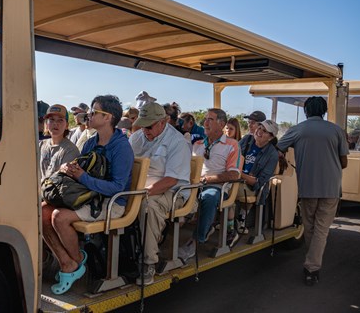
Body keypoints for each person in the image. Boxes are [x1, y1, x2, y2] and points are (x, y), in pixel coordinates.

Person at [41, 95, 133, 295]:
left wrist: (82, 177)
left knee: (59, 216)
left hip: (111, 203)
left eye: (94, 112)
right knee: (42, 211)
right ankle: (67, 262)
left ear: (107, 118)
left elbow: (117, 187)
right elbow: (81, 168)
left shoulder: (121, 147)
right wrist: (68, 169)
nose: (88, 115)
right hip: (91, 196)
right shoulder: (91, 142)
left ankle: (77, 262)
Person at [277, 96, 348, 287]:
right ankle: (312, 268)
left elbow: (278, 147)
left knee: (309, 227)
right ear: (324, 111)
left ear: (306, 111)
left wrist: (285, 158)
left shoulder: (298, 129)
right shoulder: (336, 130)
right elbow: (344, 162)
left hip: (308, 186)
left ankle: (311, 264)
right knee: (322, 229)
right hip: (331, 187)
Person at [129, 102, 191, 285]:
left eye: (149, 126)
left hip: (172, 190)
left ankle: (148, 263)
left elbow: (171, 180)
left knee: (148, 207)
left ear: (163, 122)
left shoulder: (177, 142)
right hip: (140, 187)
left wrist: (141, 193)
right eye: (142, 125)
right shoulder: (136, 138)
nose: (144, 130)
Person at [178, 108, 240, 261]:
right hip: (195, 184)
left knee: (209, 197)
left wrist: (207, 179)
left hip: (217, 186)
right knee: (173, 194)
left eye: (210, 120)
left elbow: (234, 174)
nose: (205, 123)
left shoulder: (232, 145)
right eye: (205, 119)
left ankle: (196, 240)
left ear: (221, 124)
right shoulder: (198, 144)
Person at [234, 120, 279, 240]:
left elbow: (259, 182)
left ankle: (229, 227)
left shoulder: (272, 155)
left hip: (250, 187)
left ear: (270, 137)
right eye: (260, 128)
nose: (259, 131)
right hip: (235, 178)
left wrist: (240, 174)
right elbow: (231, 155)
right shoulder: (246, 140)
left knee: (227, 190)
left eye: (265, 131)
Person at [39, 104, 79, 182]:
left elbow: (63, 181)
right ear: (46, 124)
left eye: (60, 120)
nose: (55, 123)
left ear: (67, 125)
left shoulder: (70, 150)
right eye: (51, 120)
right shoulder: (40, 145)